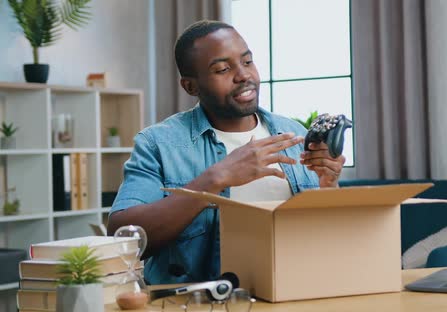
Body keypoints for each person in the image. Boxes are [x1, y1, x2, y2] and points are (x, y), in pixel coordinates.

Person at [107, 20, 346, 285]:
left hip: (297, 291)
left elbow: (326, 238)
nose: (243, 75)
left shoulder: (293, 133)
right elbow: (122, 239)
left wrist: (328, 187)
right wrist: (216, 178)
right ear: (190, 86)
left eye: (247, 61)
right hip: (202, 302)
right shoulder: (158, 143)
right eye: (222, 69)